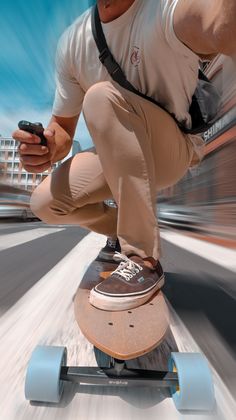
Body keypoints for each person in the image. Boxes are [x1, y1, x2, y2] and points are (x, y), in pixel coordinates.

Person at [12, 0, 235, 311]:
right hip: (119, 150)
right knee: (45, 203)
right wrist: (46, 148)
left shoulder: (166, 8)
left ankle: (143, 259)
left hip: (173, 149)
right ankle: (120, 226)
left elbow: (217, 28)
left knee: (101, 97)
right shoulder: (73, 42)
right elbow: (62, 130)